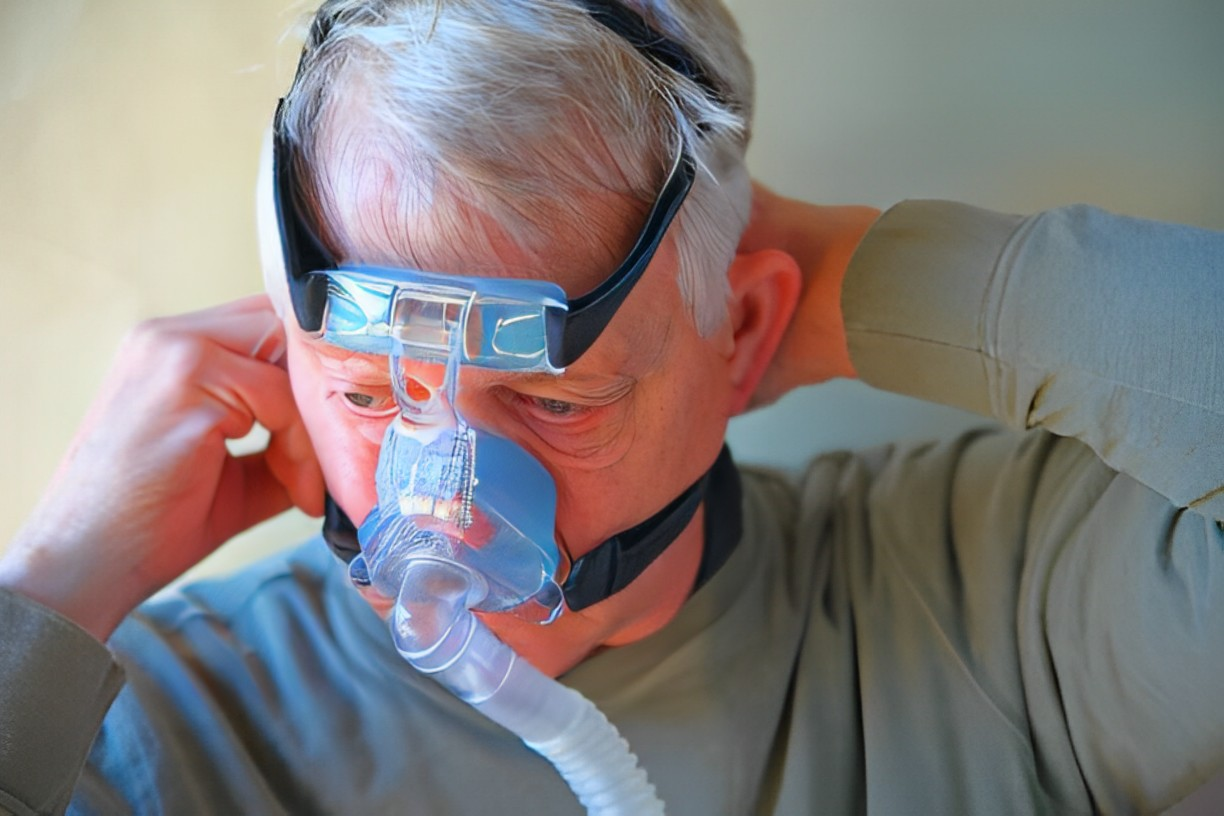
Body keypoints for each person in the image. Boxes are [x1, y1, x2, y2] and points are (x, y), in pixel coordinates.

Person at [1, 0, 1221, 813]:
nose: (448, 495)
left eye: (551, 397)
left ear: (742, 334)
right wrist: (54, 586)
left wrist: (855, 273)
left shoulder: (991, 614)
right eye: (371, 391)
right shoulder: (153, 729)